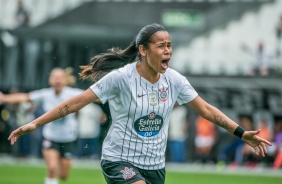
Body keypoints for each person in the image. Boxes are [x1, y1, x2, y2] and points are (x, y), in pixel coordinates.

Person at [6, 23, 271, 184]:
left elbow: (207, 111)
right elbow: (74, 103)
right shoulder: (120, 79)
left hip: (155, 166)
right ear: (143, 50)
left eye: (169, 45)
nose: (167, 50)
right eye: (161, 46)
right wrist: (35, 123)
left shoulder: (176, 80)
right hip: (118, 160)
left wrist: (240, 132)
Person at [0, 68, 84, 184]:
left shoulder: (73, 93)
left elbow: (93, 96)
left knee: (64, 176)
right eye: (55, 77)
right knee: (52, 168)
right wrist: (4, 98)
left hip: (68, 138)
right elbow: (25, 97)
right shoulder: (45, 94)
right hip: (50, 136)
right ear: (50, 80)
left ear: (65, 80)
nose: (57, 80)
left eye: (60, 78)